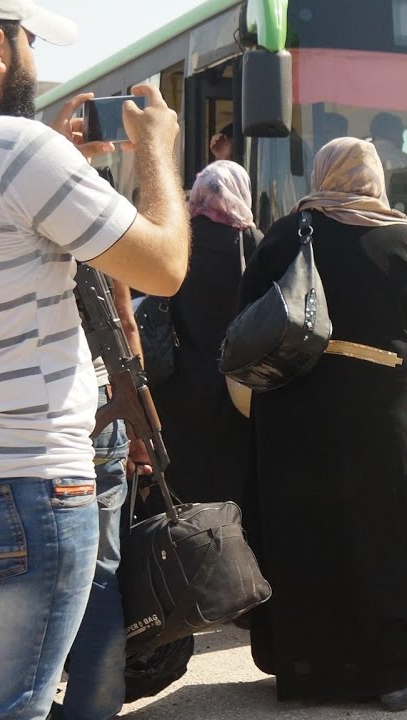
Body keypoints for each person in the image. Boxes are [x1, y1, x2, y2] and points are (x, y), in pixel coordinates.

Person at [0, 3, 189, 717]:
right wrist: (157, 150)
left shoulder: (21, 160)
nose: (35, 61)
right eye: (29, 43)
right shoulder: (20, 152)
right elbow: (164, 265)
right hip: (22, 484)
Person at [241, 138, 407, 712]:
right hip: (377, 415)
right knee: (380, 536)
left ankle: (304, 672)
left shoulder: (283, 235)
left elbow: (248, 315)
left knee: (303, 532)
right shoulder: (402, 238)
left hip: (293, 411)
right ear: (374, 176)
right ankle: (385, 672)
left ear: (323, 173)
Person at [55, 280, 146, 720]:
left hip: (10, 411)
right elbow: (125, 324)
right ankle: (93, 708)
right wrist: (143, 431)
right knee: (100, 571)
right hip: (99, 408)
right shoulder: (94, 224)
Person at [152, 161, 259, 506]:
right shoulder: (252, 242)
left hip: (180, 384)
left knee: (185, 492)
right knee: (231, 489)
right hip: (237, 387)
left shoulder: (178, 241)